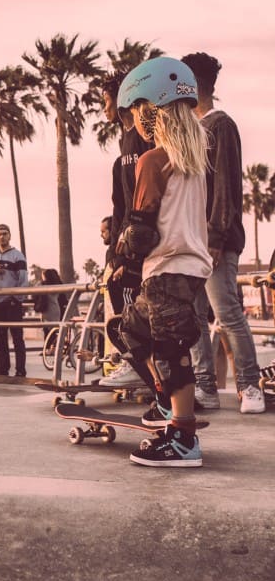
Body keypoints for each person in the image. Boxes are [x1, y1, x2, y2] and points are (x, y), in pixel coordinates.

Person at [113, 56, 212, 466]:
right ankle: (166, 403)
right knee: (130, 331)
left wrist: (124, 259)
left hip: (166, 269)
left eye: (136, 110)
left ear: (150, 109)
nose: (135, 120)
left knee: (171, 350)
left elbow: (142, 229)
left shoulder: (152, 160)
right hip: (185, 270)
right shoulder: (193, 160)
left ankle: (183, 437)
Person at [182, 52, 264, 413]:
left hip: (216, 242)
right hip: (192, 241)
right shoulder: (194, 129)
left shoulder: (221, 125)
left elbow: (228, 188)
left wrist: (215, 237)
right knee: (195, 316)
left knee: (226, 311)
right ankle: (206, 389)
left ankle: (250, 386)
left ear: (194, 85)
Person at [99, 69, 154, 388]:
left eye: (105, 100)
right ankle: (138, 368)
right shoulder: (122, 150)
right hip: (126, 243)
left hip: (142, 243)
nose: (103, 108)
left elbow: (145, 200)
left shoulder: (143, 139)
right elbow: (121, 206)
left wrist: (131, 256)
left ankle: (139, 368)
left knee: (130, 304)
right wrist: (113, 253)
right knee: (118, 296)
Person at [0, 224, 28, 377]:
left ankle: (20, 371)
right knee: (1, 339)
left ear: (10, 236)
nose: (1, 237)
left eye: (4, 234)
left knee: (17, 338)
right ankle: (2, 369)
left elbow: (23, 280)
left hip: (12, 303)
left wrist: (16, 299)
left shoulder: (18, 255)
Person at [34, 268, 65, 338]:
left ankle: (48, 348)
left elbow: (33, 292)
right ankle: (55, 348)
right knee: (54, 333)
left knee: (47, 334)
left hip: (47, 311)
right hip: (56, 310)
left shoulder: (42, 286)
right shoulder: (57, 285)